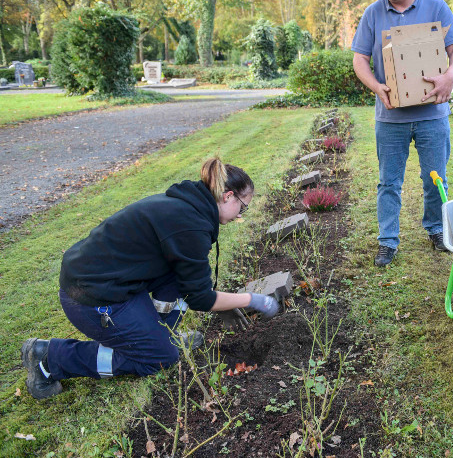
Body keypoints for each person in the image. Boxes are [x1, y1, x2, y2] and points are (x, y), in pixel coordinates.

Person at [21, 157, 281, 399]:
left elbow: (191, 283)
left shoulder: (187, 205)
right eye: (243, 208)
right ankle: (50, 358)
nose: (239, 216)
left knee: (179, 279)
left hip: (112, 280)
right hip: (91, 295)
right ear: (227, 196)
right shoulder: (190, 225)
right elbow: (202, 298)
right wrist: (252, 299)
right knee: (160, 358)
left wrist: (218, 299)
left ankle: (161, 334)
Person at [351, 0, 453, 267]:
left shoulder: (436, 7)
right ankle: (387, 240)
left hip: (432, 115)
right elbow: (360, 59)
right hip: (391, 117)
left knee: (435, 179)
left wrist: (449, 78)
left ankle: (436, 229)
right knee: (389, 182)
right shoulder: (373, 13)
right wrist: (376, 86)